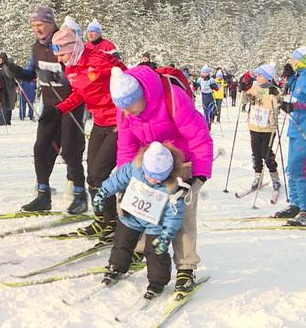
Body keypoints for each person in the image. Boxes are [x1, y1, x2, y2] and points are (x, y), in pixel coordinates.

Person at [110, 64, 213, 293]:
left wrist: (199, 174)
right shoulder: (125, 109)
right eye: (122, 108)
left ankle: (186, 266)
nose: (126, 113)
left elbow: (199, 136)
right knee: (139, 204)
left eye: (129, 106)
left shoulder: (172, 98)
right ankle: (139, 249)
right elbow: (126, 145)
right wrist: (124, 178)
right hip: (148, 160)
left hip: (180, 159)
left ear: (141, 96)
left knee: (181, 213)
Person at [2, 6, 86, 212]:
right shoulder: (36, 48)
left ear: (51, 23)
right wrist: (13, 69)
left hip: (70, 104)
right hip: (49, 105)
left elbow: (76, 73)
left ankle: (80, 195)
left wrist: (58, 76)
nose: (37, 29)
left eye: (40, 25)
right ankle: (43, 194)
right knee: (40, 148)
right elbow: (31, 73)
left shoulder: (64, 41)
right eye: (34, 26)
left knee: (69, 150)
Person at [48, 24, 127, 226]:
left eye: (61, 54)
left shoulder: (98, 60)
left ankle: (112, 223)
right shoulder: (71, 68)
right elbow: (80, 94)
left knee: (100, 174)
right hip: (100, 122)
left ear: (71, 49)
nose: (59, 59)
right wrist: (59, 109)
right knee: (92, 176)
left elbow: (128, 79)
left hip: (119, 122)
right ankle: (101, 220)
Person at [94, 142, 187, 299]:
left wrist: (166, 235)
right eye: (149, 175)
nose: (152, 180)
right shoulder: (135, 168)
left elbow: (174, 213)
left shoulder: (173, 187)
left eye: (159, 178)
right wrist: (103, 192)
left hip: (155, 223)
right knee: (122, 242)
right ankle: (116, 267)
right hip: (132, 216)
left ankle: (157, 282)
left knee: (155, 251)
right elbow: (117, 180)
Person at [241, 63, 282, 194]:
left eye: (259, 75)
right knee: (256, 154)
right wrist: (243, 91)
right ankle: (257, 177)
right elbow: (244, 101)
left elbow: (279, 105)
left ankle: (275, 177)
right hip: (254, 126)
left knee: (266, 153)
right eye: (257, 75)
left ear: (267, 77)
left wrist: (275, 95)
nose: (257, 77)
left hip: (268, 128)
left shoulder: (274, 89)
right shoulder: (255, 87)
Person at [277, 47, 306, 224]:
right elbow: (295, 96)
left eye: (296, 59)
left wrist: (294, 107)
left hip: (303, 130)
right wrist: (290, 78)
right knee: (291, 168)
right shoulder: (300, 77)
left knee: (300, 169)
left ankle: (304, 209)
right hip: (295, 128)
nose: (293, 62)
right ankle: (295, 204)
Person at [0, 53, 17, 125]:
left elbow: (10, 77)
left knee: (4, 104)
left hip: (7, 88)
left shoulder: (5, 67)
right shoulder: (3, 67)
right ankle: (7, 120)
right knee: (7, 104)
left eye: (0, 59)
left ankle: (3, 120)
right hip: (7, 88)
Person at [194, 66, 218, 130]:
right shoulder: (199, 80)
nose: (204, 74)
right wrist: (195, 85)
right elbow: (195, 88)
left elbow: (217, 88)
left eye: (206, 73)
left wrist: (214, 86)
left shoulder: (211, 80)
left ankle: (211, 119)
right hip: (204, 97)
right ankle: (207, 126)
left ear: (208, 73)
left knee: (210, 112)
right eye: (203, 72)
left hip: (210, 96)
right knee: (206, 112)